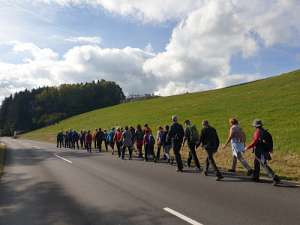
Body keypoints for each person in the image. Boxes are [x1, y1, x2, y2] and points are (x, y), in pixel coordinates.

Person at [245, 119, 280, 185]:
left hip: (259, 151)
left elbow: (255, 141)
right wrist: (271, 149)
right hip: (264, 150)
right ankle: (255, 177)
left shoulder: (257, 132)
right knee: (256, 163)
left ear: (255, 126)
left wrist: (248, 147)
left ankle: (275, 178)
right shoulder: (266, 132)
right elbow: (270, 141)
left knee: (264, 165)